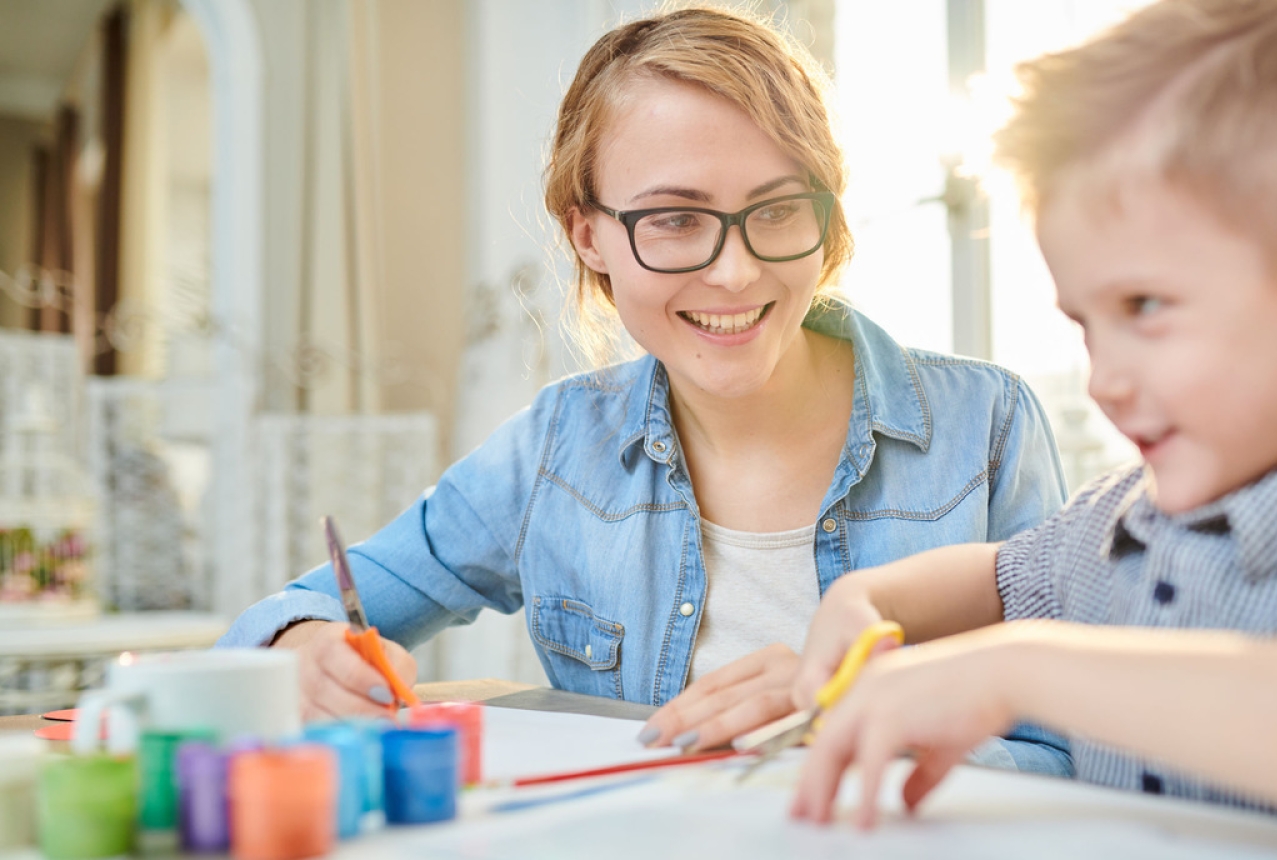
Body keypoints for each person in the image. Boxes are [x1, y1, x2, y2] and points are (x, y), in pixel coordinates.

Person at [217, 6, 1070, 772]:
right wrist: (304, 647)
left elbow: (1073, 753)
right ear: (588, 235)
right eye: (675, 219)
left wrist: (864, 717)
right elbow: (298, 611)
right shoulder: (554, 448)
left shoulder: (986, 426)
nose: (734, 272)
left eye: (777, 209)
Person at [784, 0, 1277, 846]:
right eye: (1086, 324)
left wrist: (1025, 669)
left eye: (1146, 307)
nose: (1105, 381)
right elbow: (994, 575)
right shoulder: (1121, 516)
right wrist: (864, 597)